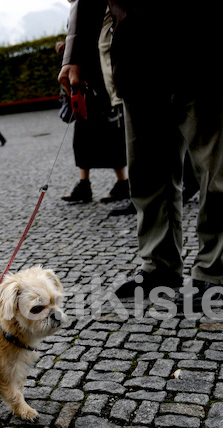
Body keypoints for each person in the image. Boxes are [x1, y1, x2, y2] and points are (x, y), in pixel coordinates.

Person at [58, 1, 223, 311]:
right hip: (136, 56)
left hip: (202, 44)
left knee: (216, 171)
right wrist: (75, 56)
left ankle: (217, 270)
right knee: (148, 175)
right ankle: (159, 267)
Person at [59, 8, 131, 211]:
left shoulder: (100, 9)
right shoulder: (77, 12)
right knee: (82, 138)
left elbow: (101, 46)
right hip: (87, 83)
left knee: (113, 136)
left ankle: (123, 182)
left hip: (101, 84)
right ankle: (85, 183)